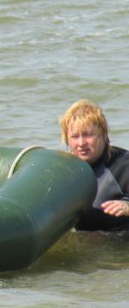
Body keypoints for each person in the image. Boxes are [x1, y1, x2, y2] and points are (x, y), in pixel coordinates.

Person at [59, 99, 129, 231]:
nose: (81, 143)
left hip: (119, 242)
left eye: (87, 135)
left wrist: (127, 207)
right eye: (75, 137)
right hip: (86, 242)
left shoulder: (124, 164)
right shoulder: (64, 169)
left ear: (103, 134)